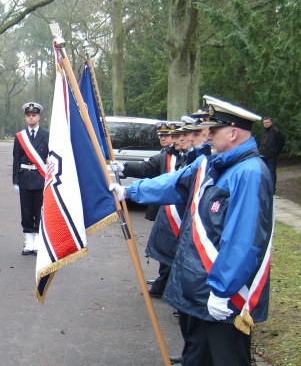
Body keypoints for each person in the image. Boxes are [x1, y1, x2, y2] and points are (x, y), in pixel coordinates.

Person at [110, 96, 273, 366]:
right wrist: (130, 191)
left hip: (222, 292)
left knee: (226, 358)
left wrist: (223, 291)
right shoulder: (210, 164)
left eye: (213, 130)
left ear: (233, 133)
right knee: (196, 356)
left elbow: (243, 241)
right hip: (197, 286)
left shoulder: (250, 173)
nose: (206, 136)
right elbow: (174, 183)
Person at [109, 122, 182, 298]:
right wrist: (124, 167)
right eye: (161, 135)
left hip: (180, 210)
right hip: (167, 210)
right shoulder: (166, 154)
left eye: (168, 135)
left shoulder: (187, 156)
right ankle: (164, 281)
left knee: (175, 249)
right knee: (165, 246)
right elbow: (147, 168)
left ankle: (166, 285)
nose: (163, 138)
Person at [12, 102, 49, 255]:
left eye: (34, 115)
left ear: (39, 117)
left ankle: (38, 240)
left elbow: (50, 158)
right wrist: (15, 181)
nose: (31, 118)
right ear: (25, 117)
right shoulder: (20, 137)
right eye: (28, 115)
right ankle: (28, 241)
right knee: (26, 211)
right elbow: (16, 159)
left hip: (41, 178)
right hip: (25, 178)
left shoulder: (47, 135)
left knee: (39, 210)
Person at [259, 116, 284, 194]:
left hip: (272, 156)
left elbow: (281, 143)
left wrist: (275, 152)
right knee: (264, 172)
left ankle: (272, 189)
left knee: (271, 172)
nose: (266, 124)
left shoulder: (275, 131)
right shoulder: (264, 132)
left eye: (267, 122)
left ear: (271, 122)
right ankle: (265, 188)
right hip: (263, 155)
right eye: (264, 123)